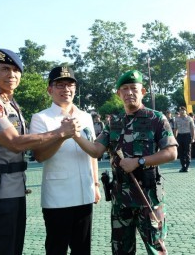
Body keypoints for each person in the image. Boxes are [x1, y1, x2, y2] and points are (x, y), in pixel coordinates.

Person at [0, 49, 80, 255]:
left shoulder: (9, 102)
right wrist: (59, 132)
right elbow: (15, 142)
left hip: (11, 186)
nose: (11, 75)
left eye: (15, 70)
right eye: (4, 69)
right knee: (1, 249)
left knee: (13, 247)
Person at [70, 70, 178, 254]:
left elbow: (171, 152)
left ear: (142, 91)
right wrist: (76, 136)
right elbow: (96, 150)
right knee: (121, 250)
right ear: (118, 94)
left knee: (156, 248)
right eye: (124, 89)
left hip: (148, 197)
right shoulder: (114, 122)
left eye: (133, 88)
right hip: (121, 199)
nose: (129, 93)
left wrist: (139, 161)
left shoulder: (156, 119)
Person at [29, 66, 101, 254]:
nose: (65, 89)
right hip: (57, 197)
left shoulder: (85, 117)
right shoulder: (41, 118)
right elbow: (39, 156)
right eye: (59, 85)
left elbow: (91, 151)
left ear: (75, 90)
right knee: (56, 249)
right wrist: (62, 135)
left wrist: (95, 184)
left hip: (85, 193)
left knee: (82, 249)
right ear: (50, 90)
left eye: (70, 85)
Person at [174, 106, 195, 172]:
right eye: (180, 110)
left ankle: (187, 166)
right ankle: (183, 166)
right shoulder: (176, 119)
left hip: (187, 135)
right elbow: (175, 129)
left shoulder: (189, 118)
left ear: (186, 111)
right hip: (180, 136)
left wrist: (193, 137)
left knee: (187, 151)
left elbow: (192, 128)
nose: (182, 111)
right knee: (180, 152)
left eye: (183, 110)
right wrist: (175, 137)